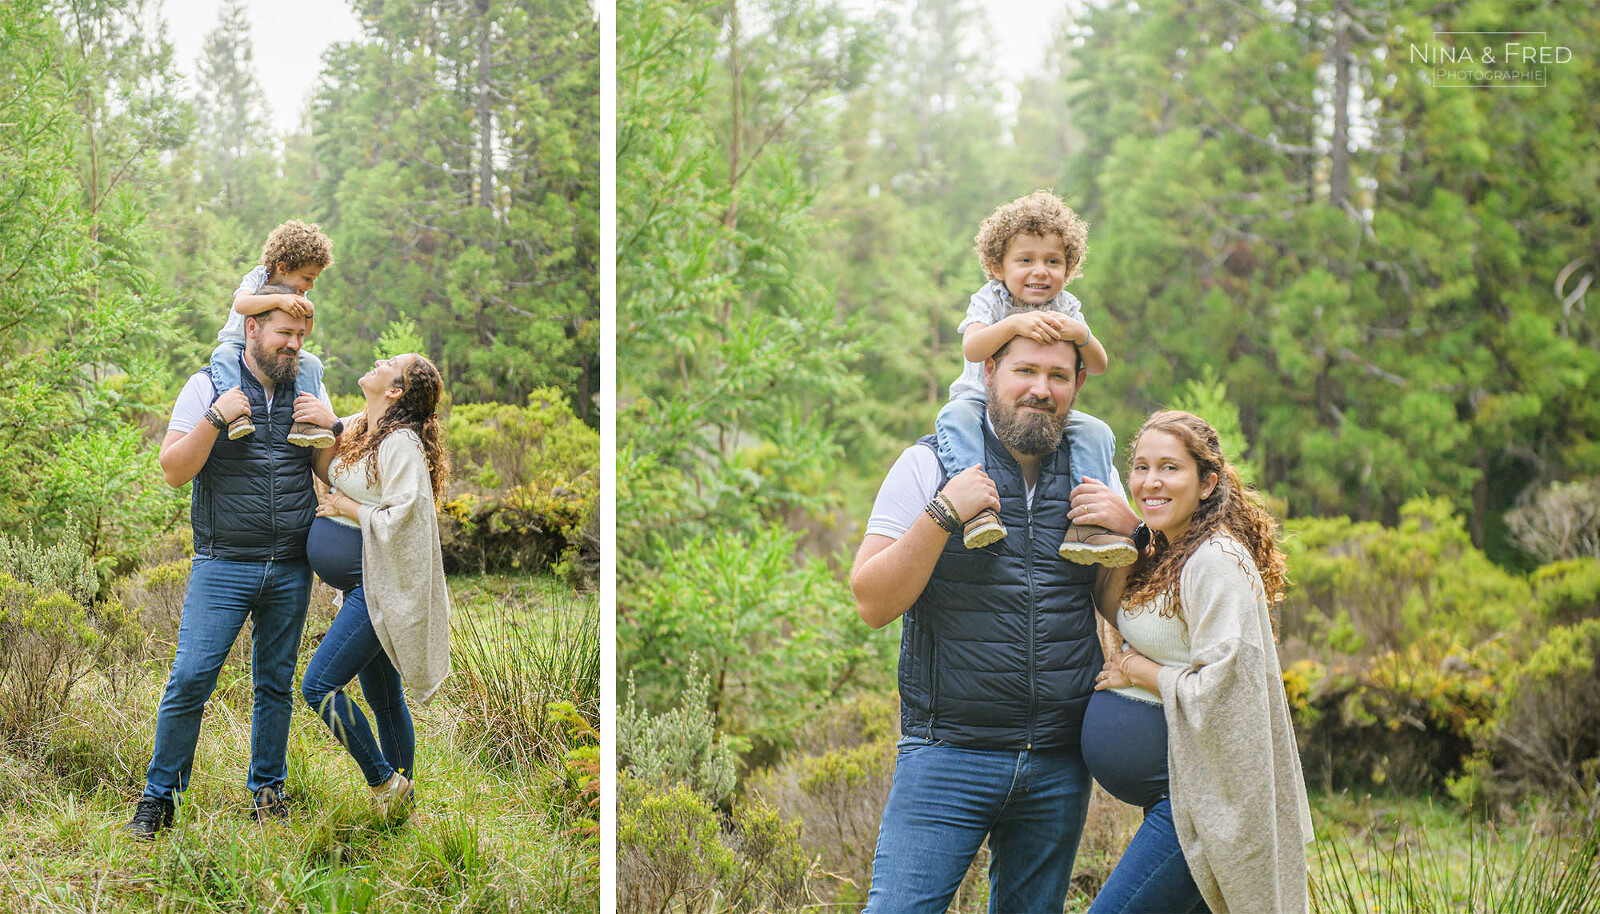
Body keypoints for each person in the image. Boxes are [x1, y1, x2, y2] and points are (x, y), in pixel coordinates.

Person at [850, 335, 1140, 913]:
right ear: (988, 372)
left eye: (1058, 376)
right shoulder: (929, 462)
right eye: (1025, 371)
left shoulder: (1093, 473)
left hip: (1060, 763)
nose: (1041, 389)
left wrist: (1135, 535)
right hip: (947, 754)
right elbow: (872, 602)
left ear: (1078, 385)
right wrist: (943, 513)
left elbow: (1119, 607)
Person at [1082, 410, 1313, 913]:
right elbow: (1115, 609)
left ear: (1207, 483)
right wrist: (1131, 533)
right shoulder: (1165, 548)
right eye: (1141, 468)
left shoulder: (1216, 562)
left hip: (1202, 802)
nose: (1151, 481)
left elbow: (1226, 691)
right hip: (1178, 795)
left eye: (1170, 468)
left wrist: (1138, 671)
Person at [126, 302, 340, 839]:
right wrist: (217, 417)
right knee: (191, 679)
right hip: (223, 564)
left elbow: (329, 468)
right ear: (252, 328)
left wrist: (330, 430)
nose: (294, 344)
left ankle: (268, 795)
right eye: (283, 333)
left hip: (292, 566)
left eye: (300, 335)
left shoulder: (307, 389)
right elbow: (174, 471)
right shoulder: (206, 385)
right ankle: (159, 800)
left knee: (275, 685)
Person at [939, 190, 1134, 567]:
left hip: (1040, 409)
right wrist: (1013, 324)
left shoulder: (1066, 306)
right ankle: (977, 507)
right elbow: (974, 349)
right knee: (953, 419)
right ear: (998, 267)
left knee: (1095, 431)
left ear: (1069, 267)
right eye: (1025, 259)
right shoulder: (991, 299)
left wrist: (1081, 335)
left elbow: (1098, 365)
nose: (1040, 271)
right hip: (980, 399)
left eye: (1053, 261)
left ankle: (1087, 523)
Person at [301, 353, 452, 816]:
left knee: (319, 687)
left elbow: (406, 516)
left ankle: (384, 781)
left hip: (377, 590)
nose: (378, 360)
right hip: (360, 587)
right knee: (384, 701)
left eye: (390, 362)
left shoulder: (401, 442)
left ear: (396, 391)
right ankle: (402, 807)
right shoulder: (365, 427)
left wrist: (349, 510)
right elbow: (334, 454)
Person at [212, 220, 336, 447]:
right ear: (283, 268)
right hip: (238, 342)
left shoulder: (298, 294)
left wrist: (310, 313)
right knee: (222, 357)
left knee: (312, 363)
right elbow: (242, 304)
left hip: (270, 349)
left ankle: (304, 421)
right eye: (307, 278)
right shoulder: (258, 277)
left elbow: (305, 332)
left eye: (314, 279)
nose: (310, 286)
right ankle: (237, 414)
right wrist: (280, 299)